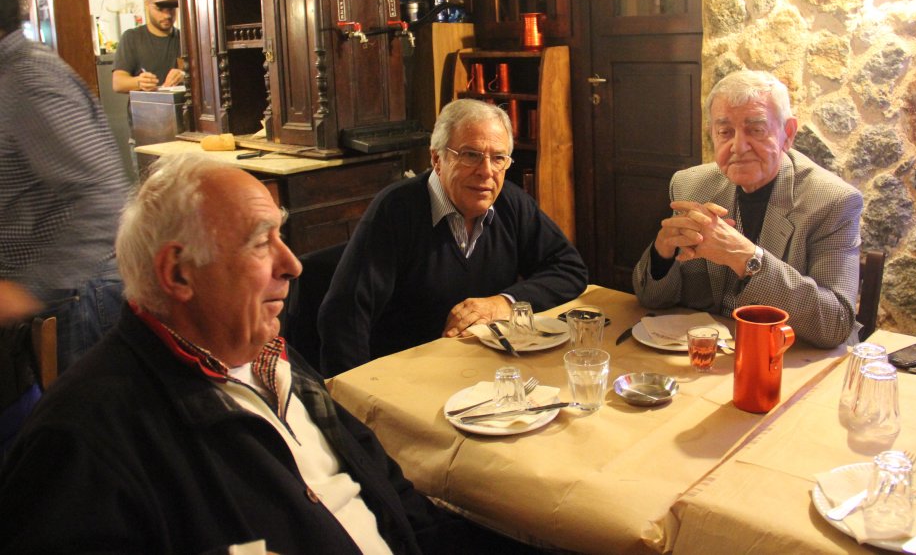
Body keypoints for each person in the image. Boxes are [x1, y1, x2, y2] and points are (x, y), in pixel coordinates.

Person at [0, 154, 540, 554]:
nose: (293, 264)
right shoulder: (83, 442)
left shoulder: (278, 362)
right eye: (261, 242)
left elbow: (402, 506)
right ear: (178, 273)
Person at [318, 99, 587, 375]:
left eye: (498, 158)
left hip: (489, 369)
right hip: (409, 375)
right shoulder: (396, 210)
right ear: (437, 159)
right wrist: (356, 391)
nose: (486, 171)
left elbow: (569, 269)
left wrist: (504, 303)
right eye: (471, 155)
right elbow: (343, 316)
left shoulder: (512, 203)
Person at [632, 70, 863, 348]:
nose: (738, 147)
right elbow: (651, 299)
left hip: (788, 356)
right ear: (712, 134)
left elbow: (835, 324)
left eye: (756, 130)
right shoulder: (690, 185)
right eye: (725, 132)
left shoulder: (832, 201)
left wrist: (747, 258)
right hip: (707, 357)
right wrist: (662, 253)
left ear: (787, 134)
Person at [0, 0, 129, 372]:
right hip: (46, 302)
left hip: (72, 303)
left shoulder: (27, 77)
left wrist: (27, 290)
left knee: (80, 413)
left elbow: (102, 196)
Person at [111, 0, 184, 93]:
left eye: (171, 9)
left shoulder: (184, 38)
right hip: (143, 104)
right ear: (147, 4)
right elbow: (118, 83)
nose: (167, 15)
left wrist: (183, 75)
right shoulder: (131, 38)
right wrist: (139, 82)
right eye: (159, 9)